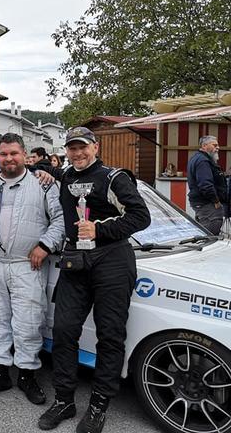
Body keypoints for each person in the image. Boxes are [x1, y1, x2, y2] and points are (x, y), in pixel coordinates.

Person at [38, 126, 151, 433]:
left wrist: (99, 229)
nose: (78, 153)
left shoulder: (114, 177)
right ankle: (64, 400)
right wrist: (43, 171)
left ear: (96, 147)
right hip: (76, 261)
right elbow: (33, 165)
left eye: (83, 147)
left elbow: (141, 216)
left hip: (112, 260)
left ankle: (99, 406)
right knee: (63, 331)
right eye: (72, 148)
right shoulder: (66, 176)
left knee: (110, 337)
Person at [0, 133, 64, 404]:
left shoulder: (43, 184)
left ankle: (27, 373)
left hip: (27, 264)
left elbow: (60, 220)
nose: (9, 158)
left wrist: (45, 245)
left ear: (24, 155)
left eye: (14, 153)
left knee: (28, 321)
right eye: (4, 154)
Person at [186, 135, 228, 235]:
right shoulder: (203, 161)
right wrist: (216, 201)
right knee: (210, 236)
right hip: (208, 204)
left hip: (203, 203)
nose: (218, 148)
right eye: (215, 145)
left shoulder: (198, 158)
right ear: (204, 146)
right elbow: (205, 185)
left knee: (204, 232)